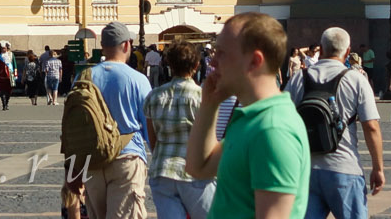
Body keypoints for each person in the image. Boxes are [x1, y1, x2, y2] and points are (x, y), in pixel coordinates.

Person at [185, 13, 310, 219]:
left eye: (222, 53)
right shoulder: (252, 119)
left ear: (254, 61)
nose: (212, 62)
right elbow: (198, 167)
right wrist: (209, 104)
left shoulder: (272, 129)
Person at [290, 27, 383, 219]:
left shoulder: (299, 77)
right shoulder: (356, 79)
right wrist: (378, 168)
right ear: (348, 51)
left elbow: (285, 123)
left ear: (321, 49)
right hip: (344, 168)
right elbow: (371, 126)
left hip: (306, 170)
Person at [85, 22, 155, 219]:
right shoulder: (137, 79)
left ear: (103, 46)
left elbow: (73, 123)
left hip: (92, 161)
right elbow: (149, 125)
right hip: (126, 158)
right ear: (126, 45)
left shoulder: (84, 77)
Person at [146, 39, 215, 219]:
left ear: (169, 64)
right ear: (196, 65)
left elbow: (152, 138)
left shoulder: (154, 96)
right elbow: (209, 139)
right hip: (194, 172)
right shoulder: (202, 97)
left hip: (162, 170)